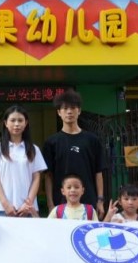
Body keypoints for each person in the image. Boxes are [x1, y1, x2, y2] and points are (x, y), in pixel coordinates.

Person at [43, 90, 107, 219]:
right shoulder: (51, 142)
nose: (69, 112)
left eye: (73, 108)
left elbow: (98, 172)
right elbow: (48, 176)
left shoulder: (92, 140)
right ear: (59, 112)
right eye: (65, 108)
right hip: (61, 202)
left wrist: (100, 200)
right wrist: (50, 204)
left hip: (88, 200)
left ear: (79, 111)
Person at [0, 105, 47, 217]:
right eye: (13, 120)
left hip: (29, 209)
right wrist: (5, 204)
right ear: (6, 123)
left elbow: (36, 178)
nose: (17, 124)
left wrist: (28, 204)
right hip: (4, 209)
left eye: (20, 120)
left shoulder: (34, 149)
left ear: (26, 123)